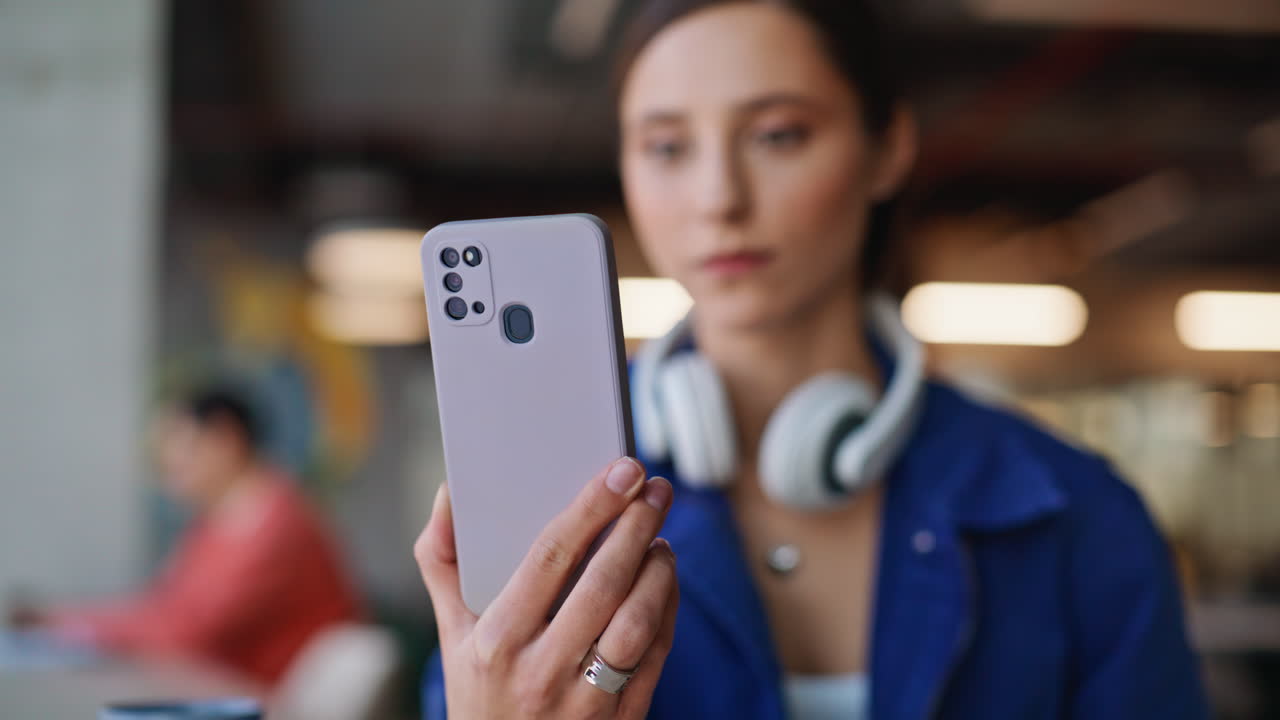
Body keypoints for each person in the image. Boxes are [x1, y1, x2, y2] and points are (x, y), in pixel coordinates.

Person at [414, 1, 1209, 717]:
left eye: (777, 134)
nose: (718, 197)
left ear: (887, 149)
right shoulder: (543, 505)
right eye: (666, 146)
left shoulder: (1078, 518)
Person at [11, 386, 362, 686]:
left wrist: (59, 622)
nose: (169, 464)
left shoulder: (277, 527)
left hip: (265, 702)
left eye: (180, 444)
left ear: (226, 439)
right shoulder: (219, 523)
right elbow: (166, 612)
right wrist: (57, 620)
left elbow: (187, 632)